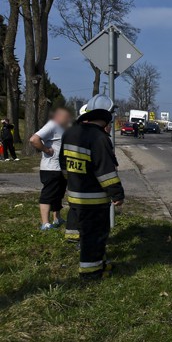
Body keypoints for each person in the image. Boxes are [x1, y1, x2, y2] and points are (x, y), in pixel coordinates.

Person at [59, 94, 124, 279]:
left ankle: (100, 263)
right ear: (104, 121)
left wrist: (70, 182)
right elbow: (106, 172)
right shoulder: (99, 138)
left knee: (88, 234)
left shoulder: (70, 133)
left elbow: (63, 164)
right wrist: (117, 194)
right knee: (94, 236)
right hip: (94, 200)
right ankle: (91, 273)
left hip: (75, 196)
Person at [30, 107, 72, 231]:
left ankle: (57, 218)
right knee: (48, 194)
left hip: (61, 167)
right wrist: (46, 150)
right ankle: (45, 223)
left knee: (59, 193)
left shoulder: (63, 127)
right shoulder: (52, 125)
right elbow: (34, 139)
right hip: (50, 168)